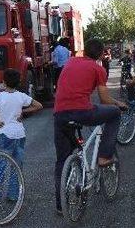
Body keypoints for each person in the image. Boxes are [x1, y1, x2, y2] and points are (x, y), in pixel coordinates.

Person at [53, 39, 126, 214]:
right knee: (114, 113)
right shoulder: (98, 69)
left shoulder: (70, 62)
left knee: (62, 160)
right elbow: (105, 100)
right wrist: (119, 104)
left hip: (60, 114)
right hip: (82, 112)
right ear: (102, 54)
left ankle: (60, 206)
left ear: (84, 51)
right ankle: (104, 156)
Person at [0, 69, 42, 198]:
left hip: (5, 134)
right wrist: (24, 112)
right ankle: (13, 195)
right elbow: (39, 106)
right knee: (16, 166)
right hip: (20, 134)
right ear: (18, 82)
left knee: (0, 164)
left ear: (3, 82)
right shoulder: (21, 96)